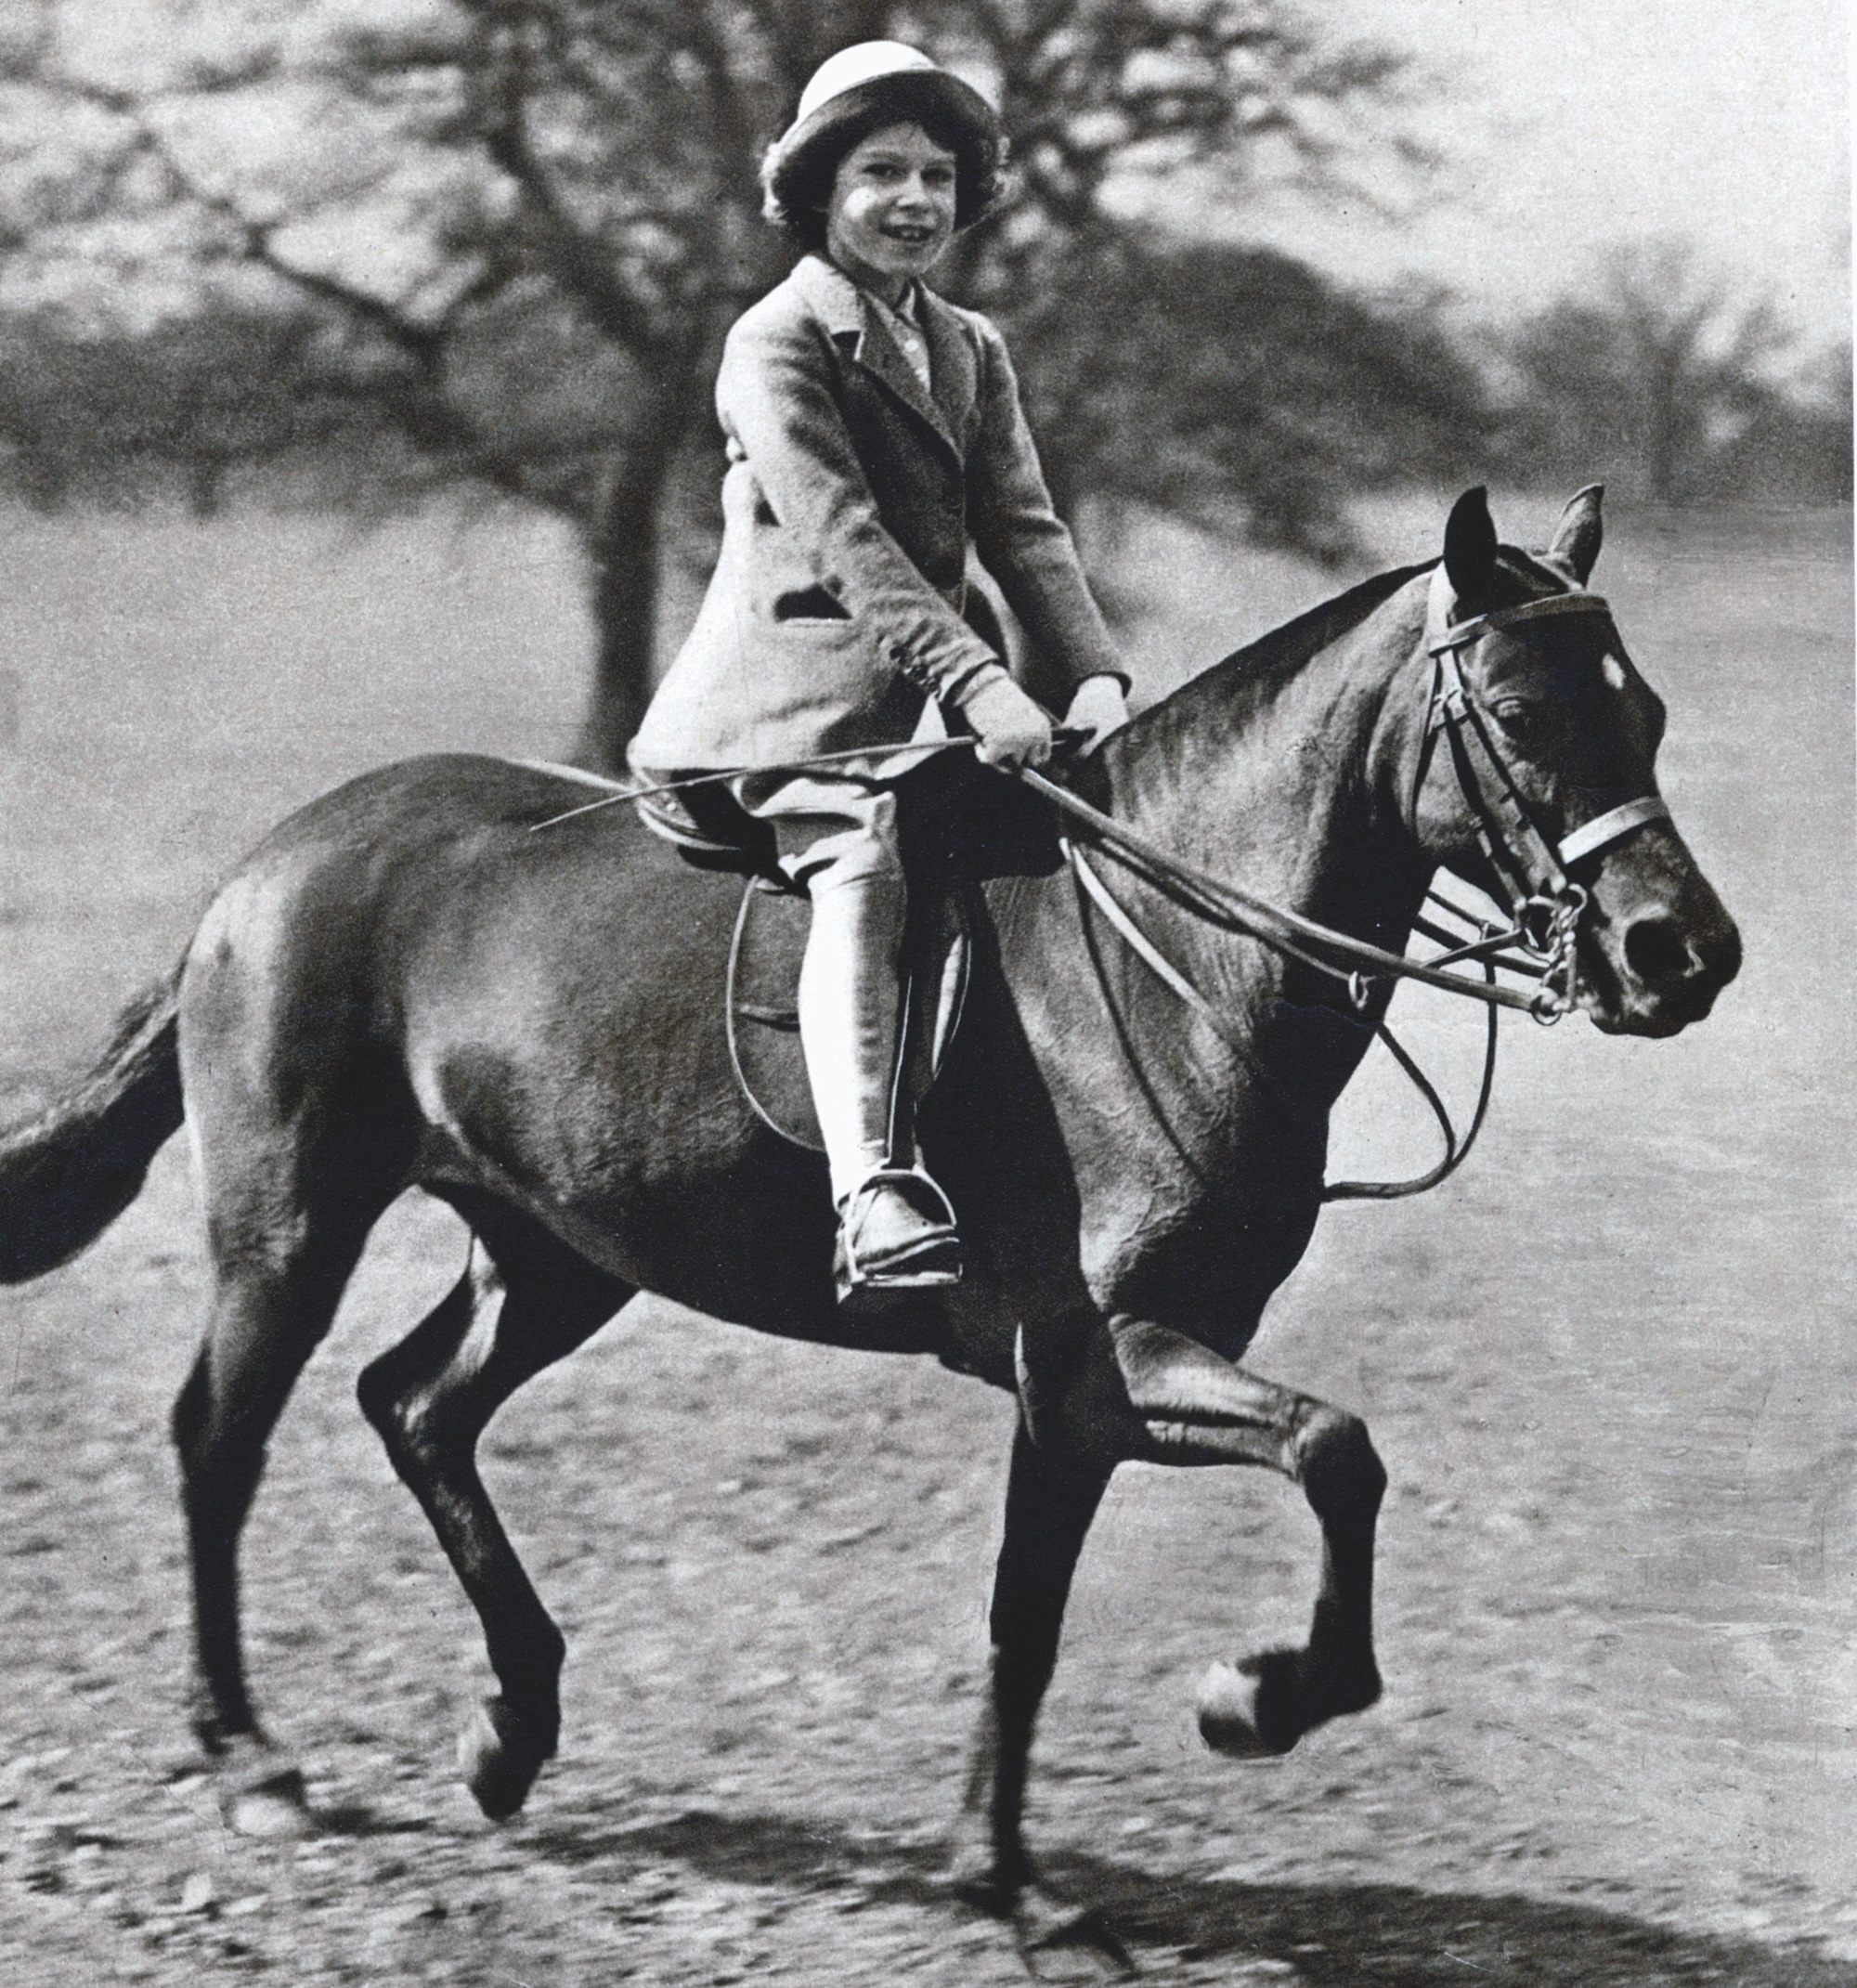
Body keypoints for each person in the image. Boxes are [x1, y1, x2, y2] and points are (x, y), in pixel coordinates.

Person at [629, 40, 1130, 1301]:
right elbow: (848, 543)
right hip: (781, 719)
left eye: (939, 177)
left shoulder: (970, 345)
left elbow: (1025, 529)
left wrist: (1092, 676)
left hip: (939, 705)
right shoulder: (775, 338)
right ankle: (873, 1188)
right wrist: (983, 686)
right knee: (863, 858)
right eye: (880, 172)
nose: (914, 200)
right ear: (818, 191)